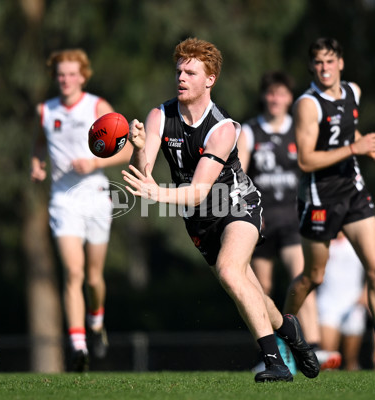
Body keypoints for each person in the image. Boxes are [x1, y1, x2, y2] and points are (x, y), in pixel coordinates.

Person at [122, 37, 319, 383]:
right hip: (200, 221)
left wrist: (157, 193)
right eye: (179, 70)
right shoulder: (159, 115)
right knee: (254, 293)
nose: (181, 77)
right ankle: (290, 330)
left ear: (210, 79)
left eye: (191, 72)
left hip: (238, 205)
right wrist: (139, 148)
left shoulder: (222, 129)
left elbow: (199, 191)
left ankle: (274, 362)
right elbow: (145, 172)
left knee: (230, 271)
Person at [281, 37, 375, 374]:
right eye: (318, 62)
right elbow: (305, 159)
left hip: (353, 191)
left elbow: (348, 135)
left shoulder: (353, 92)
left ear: (341, 63)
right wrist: (355, 149)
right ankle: (281, 343)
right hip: (319, 198)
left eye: (330, 61)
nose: (324, 68)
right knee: (313, 276)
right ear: (312, 67)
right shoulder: (307, 105)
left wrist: (372, 155)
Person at [30, 48, 132, 372]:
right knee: (73, 272)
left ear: (83, 76)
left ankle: (96, 322)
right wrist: (37, 165)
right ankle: (77, 346)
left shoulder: (97, 106)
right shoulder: (45, 110)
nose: (65, 79)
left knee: (93, 277)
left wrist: (94, 162)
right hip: (63, 199)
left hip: (96, 195)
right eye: (60, 74)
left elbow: (127, 150)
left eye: (72, 74)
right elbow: (38, 143)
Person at [237, 71, 325, 373]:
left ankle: (313, 347)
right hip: (259, 222)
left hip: (292, 222)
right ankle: (268, 354)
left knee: (302, 279)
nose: (276, 99)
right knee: (258, 289)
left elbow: (314, 171)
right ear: (265, 96)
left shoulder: (299, 131)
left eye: (282, 93)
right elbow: (240, 176)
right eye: (271, 93)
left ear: (290, 98)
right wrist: (245, 212)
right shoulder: (249, 132)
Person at [317, 232, 367, 370]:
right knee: (328, 357)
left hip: (354, 304)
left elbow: (374, 267)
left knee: (351, 359)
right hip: (328, 303)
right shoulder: (321, 242)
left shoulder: (356, 241)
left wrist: (366, 292)